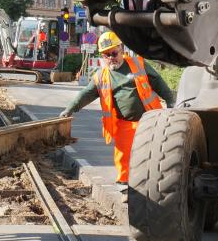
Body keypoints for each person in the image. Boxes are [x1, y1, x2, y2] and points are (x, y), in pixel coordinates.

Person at [58, 31, 175, 185]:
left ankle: (153, 186)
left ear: (121, 49)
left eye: (114, 53)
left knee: (152, 156)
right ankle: (125, 187)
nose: (111, 58)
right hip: (124, 124)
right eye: (106, 55)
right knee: (123, 157)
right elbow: (86, 94)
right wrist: (70, 109)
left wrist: (171, 101)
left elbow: (158, 82)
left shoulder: (137, 64)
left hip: (149, 121)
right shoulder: (101, 76)